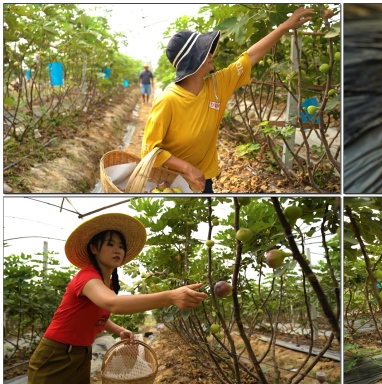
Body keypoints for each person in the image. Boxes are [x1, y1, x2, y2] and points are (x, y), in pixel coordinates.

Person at [141, 8, 314, 193]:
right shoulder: (168, 100)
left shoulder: (218, 85)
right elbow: (149, 151)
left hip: (201, 181)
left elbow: (250, 57)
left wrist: (284, 27)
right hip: (168, 183)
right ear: (194, 61)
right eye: (204, 51)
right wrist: (187, 167)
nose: (211, 54)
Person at [27, 213, 208, 384]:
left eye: (121, 246)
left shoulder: (108, 284)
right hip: (56, 354)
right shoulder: (87, 277)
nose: (117, 250)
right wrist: (170, 296)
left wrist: (118, 329)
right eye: (110, 244)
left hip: (82, 354)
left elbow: (97, 315)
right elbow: (112, 304)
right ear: (94, 248)